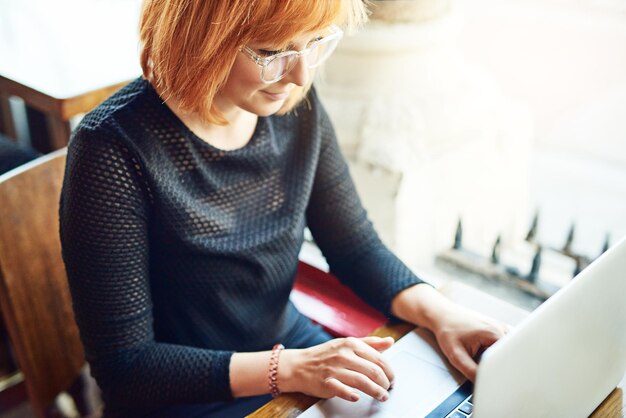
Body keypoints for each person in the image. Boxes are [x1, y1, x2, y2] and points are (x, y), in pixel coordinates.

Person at [59, 0, 508, 416]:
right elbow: (127, 370)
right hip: (185, 394)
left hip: (292, 352)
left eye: (315, 43)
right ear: (198, 35)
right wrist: (288, 369)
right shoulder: (112, 149)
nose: (300, 75)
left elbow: (355, 248)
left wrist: (443, 315)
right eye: (271, 51)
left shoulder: (294, 105)